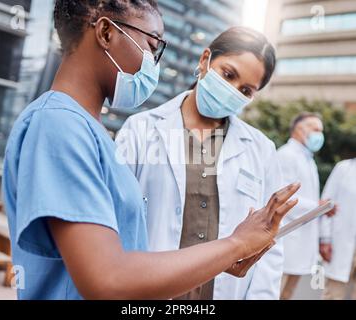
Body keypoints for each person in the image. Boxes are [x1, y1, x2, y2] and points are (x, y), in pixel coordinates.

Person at [2, 0, 299, 300]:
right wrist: (235, 245)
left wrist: (225, 256)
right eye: (152, 45)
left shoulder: (89, 132)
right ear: (106, 32)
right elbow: (108, 278)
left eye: (246, 90)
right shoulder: (59, 125)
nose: (152, 64)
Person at [116, 27, 287, 300]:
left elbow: (270, 246)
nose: (232, 91)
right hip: (147, 295)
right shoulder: (141, 130)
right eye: (228, 75)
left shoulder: (261, 150)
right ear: (205, 60)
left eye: (245, 90)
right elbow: (115, 221)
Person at [278, 113, 335, 300]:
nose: (319, 135)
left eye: (321, 130)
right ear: (299, 129)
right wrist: (318, 206)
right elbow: (282, 197)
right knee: (275, 293)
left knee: (287, 295)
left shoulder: (307, 159)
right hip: (286, 239)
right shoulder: (286, 155)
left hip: (301, 241)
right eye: (315, 129)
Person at [320, 158, 356, 300]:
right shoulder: (343, 168)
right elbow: (327, 205)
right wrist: (325, 238)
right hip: (341, 243)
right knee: (333, 294)